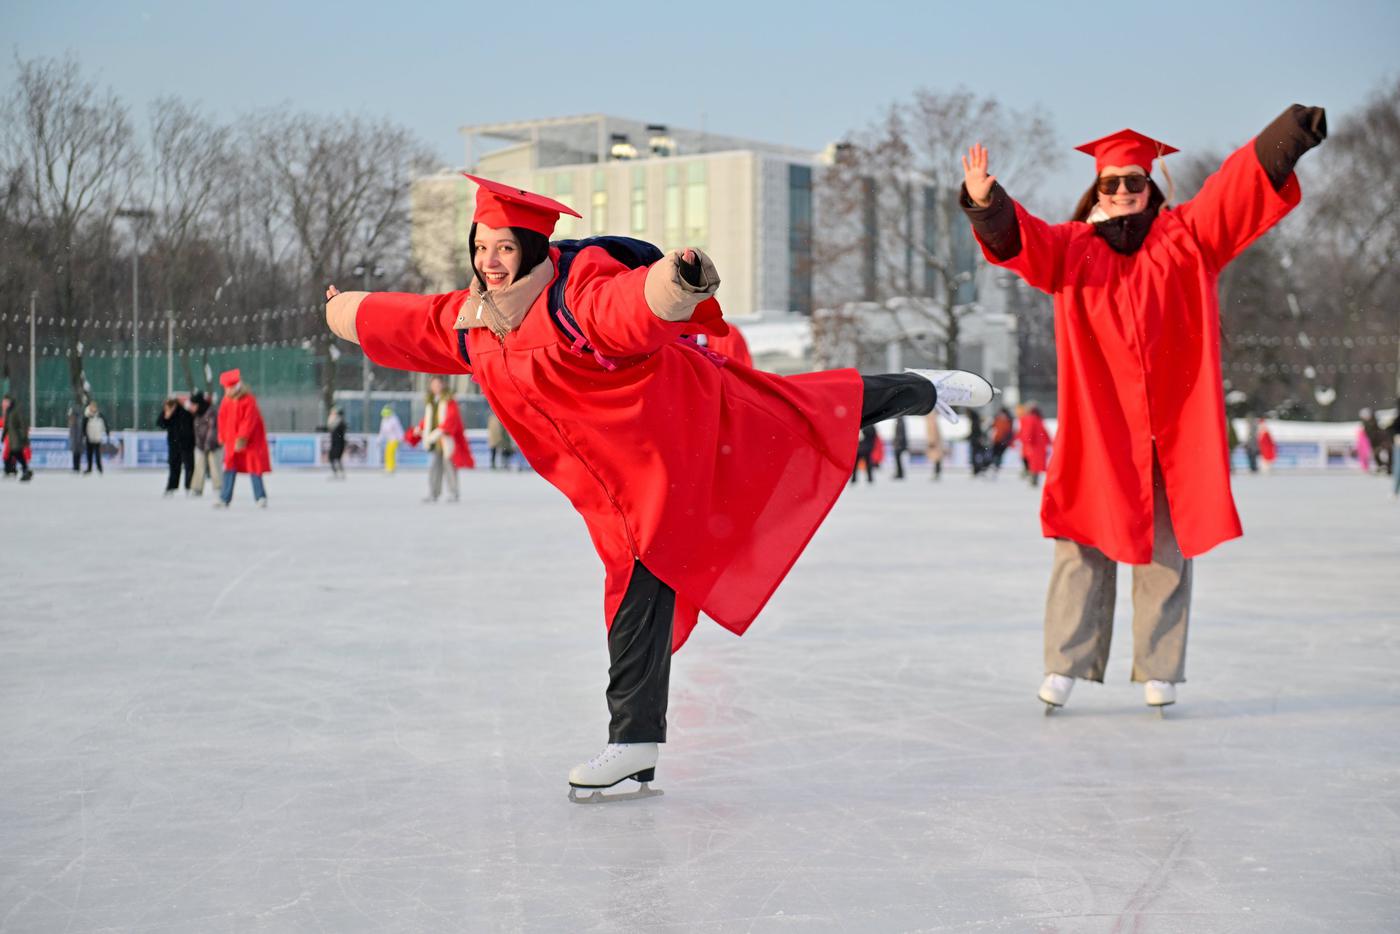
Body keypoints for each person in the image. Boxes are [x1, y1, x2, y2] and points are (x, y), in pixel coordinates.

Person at [324, 174, 991, 799]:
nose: (490, 260)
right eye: (480, 247)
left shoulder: (571, 300)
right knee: (641, 578)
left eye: (504, 247)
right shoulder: (474, 324)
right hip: (621, 477)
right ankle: (634, 740)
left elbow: (625, 308)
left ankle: (922, 388)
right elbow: (412, 322)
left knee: (796, 413)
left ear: (530, 246)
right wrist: (345, 312)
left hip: (683, 421)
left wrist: (676, 281)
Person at [961, 104, 1326, 712]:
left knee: (1166, 547)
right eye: (1112, 183)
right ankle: (1065, 662)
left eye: (1134, 180)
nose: (1124, 191)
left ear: (1150, 185)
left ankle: (1160, 666)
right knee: (1081, 541)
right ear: (1097, 190)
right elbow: (1023, 241)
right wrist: (986, 202)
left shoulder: (1185, 238)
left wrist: (1287, 136)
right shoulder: (1072, 249)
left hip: (1171, 429)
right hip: (1099, 429)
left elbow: (1233, 192)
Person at [214, 369, 270, 508]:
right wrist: (222, 436)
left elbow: (249, 421)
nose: (227, 391)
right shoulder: (226, 401)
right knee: (229, 467)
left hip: (251, 441)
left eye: (229, 388)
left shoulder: (248, 400)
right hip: (231, 441)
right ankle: (224, 498)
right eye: (226, 388)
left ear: (236, 387)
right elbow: (221, 420)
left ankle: (260, 497)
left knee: (254, 467)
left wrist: (242, 438)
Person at [415, 376, 473, 502]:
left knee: (450, 466)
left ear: (442, 385)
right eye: (433, 384)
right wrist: (420, 427)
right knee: (434, 467)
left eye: (438, 384)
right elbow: (429, 419)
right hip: (435, 441)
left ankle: (453, 492)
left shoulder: (449, 400)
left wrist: (441, 430)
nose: (435, 387)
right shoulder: (432, 401)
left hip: (447, 439)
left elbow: (452, 418)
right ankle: (433, 492)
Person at [158, 395, 196, 496]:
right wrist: (166, 416)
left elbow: (190, 427)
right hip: (173, 444)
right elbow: (160, 424)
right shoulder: (167, 413)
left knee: (189, 466)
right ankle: (172, 487)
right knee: (174, 465)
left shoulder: (184, 412)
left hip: (186, 444)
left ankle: (189, 486)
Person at [189, 390, 222, 496]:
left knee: (215, 466)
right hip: (201, 445)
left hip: (214, 445)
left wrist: (208, 444)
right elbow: (197, 431)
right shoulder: (196, 414)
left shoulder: (211, 412)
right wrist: (200, 444)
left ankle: (218, 487)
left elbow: (213, 429)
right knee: (199, 466)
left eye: (193, 404)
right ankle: (197, 488)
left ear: (199, 404)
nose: (191, 407)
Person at [1018, 402, 1051, 488]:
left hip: (1033, 444)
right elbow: (1044, 431)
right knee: (1035, 463)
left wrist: (1025, 440)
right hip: (1039, 444)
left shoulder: (1030, 418)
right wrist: (1049, 441)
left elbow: (1028, 432)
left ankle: (1031, 477)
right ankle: (1032, 477)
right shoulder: (1037, 418)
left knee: (1032, 463)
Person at [1, 394, 33, 481]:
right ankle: (18, 470)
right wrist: (4, 435)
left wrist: (24, 436)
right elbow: (6, 425)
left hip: (17, 437)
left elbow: (23, 424)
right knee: (14, 454)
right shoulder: (8, 411)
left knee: (16, 453)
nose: (4, 404)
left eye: (6, 402)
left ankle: (21, 470)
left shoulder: (16, 411)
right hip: (12, 438)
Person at [377, 405, 404, 474]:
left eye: (387, 414)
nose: (385, 416)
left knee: (390, 452)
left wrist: (401, 438)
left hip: (395, 439)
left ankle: (391, 468)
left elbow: (398, 429)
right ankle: (388, 467)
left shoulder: (394, 419)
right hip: (389, 439)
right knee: (387, 453)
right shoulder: (384, 421)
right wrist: (379, 440)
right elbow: (382, 431)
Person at [82, 401, 107, 474]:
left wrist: (106, 431)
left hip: (97, 437)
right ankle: (89, 468)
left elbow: (104, 424)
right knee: (89, 454)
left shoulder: (99, 416)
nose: (93, 408)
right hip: (89, 438)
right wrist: (84, 435)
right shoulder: (87, 417)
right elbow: (83, 427)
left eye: (94, 407)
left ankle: (99, 468)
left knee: (97, 454)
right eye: (91, 407)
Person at [989, 406, 1015, 474]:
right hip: (997, 439)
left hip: (1003, 440)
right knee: (995, 453)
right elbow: (992, 426)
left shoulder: (1008, 420)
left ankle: (996, 466)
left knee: (999, 454)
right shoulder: (998, 419)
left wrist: (1007, 440)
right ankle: (994, 465)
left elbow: (1010, 431)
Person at [326, 406, 347, 479]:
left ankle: (339, 473)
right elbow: (329, 427)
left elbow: (339, 433)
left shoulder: (340, 422)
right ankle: (337, 472)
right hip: (335, 443)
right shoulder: (336, 422)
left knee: (336, 458)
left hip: (339, 443)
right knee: (333, 458)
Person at [925, 412, 945, 481]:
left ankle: (937, 472)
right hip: (936, 443)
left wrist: (931, 441)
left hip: (934, 443)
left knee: (936, 458)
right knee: (936, 458)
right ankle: (937, 472)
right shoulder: (933, 420)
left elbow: (932, 431)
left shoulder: (931, 421)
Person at [67, 405, 83, 472]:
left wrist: (79, 439)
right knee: (75, 454)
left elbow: (79, 432)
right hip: (75, 441)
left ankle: (77, 467)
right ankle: (75, 467)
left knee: (77, 454)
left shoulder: (78, 422)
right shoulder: (72, 422)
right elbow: (71, 433)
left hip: (78, 441)